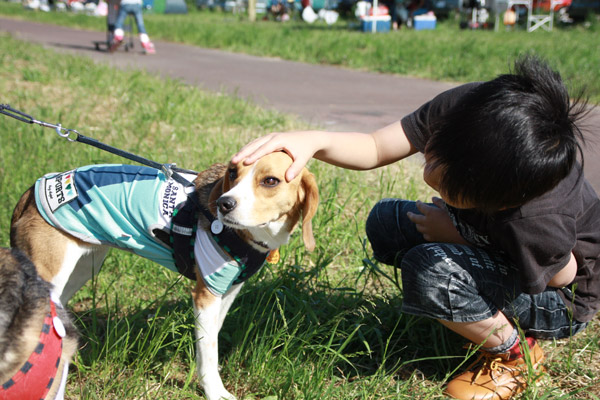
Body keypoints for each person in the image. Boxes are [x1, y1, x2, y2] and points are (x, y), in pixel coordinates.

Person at [231, 55, 600, 400]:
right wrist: (312, 141)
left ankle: (515, 354)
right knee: (387, 222)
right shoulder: (471, 110)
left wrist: (456, 236)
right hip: (502, 243)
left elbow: (561, 275)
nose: (430, 171)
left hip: (560, 297)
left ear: (499, 203)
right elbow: (376, 146)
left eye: (448, 184)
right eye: (434, 151)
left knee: (431, 269)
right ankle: (469, 312)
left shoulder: (538, 219)